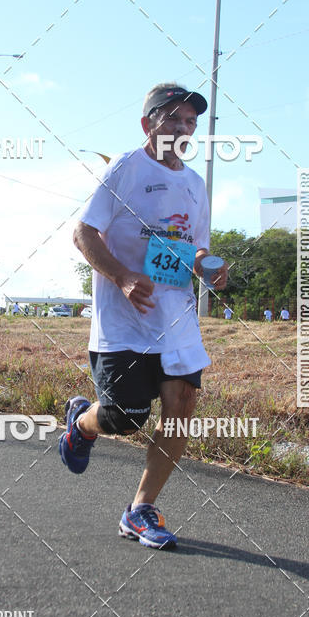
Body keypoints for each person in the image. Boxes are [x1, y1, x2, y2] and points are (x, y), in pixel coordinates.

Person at [59, 82, 228, 549]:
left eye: (190, 121)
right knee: (125, 418)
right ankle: (82, 424)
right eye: (172, 117)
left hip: (176, 317)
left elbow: (195, 247)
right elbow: (83, 232)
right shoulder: (125, 169)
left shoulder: (194, 185)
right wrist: (122, 277)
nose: (182, 127)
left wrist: (209, 268)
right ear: (148, 124)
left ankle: (139, 509)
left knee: (182, 407)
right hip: (124, 320)